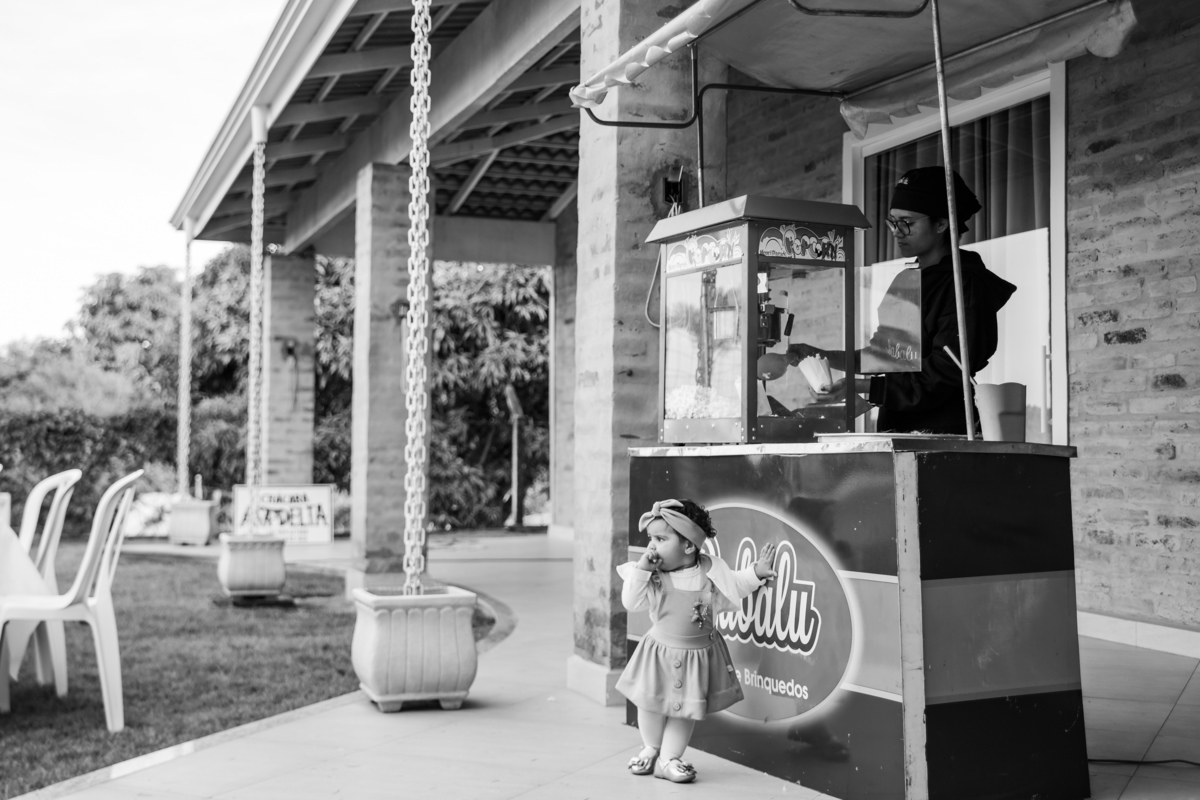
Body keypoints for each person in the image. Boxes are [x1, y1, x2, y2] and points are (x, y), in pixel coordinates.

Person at [790, 166, 1016, 434]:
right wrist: (821, 357)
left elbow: (946, 374)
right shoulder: (907, 281)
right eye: (892, 222)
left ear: (942, 223)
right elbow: (885, 356)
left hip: (945, 433)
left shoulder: (965, 285)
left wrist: (864, 387)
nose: (896, 232)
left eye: (906, 223)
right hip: (896, 429)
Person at [616, 499, 777, 784]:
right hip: (659, 653)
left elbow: (735, 584)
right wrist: (641, 570)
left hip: (697, 655)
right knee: (649, 703)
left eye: (661, 539)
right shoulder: (653, 576)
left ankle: (669, 758)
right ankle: (650, 748)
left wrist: (756, 573)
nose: (652, 546)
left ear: (689, 546)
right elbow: (631, 601)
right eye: (651, 538)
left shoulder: (711, 570)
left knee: (684, 710)